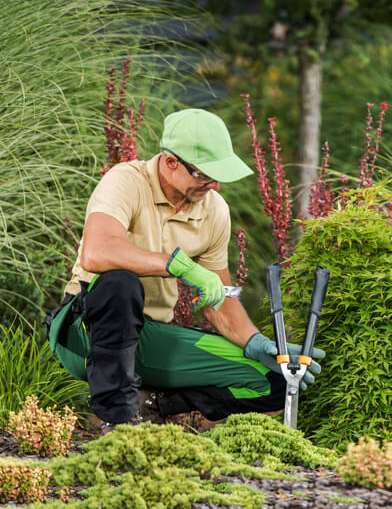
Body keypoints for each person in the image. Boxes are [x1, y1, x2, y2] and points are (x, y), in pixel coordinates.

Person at [45, 109, 323, 433]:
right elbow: (97, 252)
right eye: (203, 173)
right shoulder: (127, 181)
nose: (215, 184)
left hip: (151, 337)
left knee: (274, 380)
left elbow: (218, 299)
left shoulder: (214, 210)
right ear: (170, 161)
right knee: (119, 285)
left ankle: (151, 405)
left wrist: (255, 342)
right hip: (86, 331)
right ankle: (117, 424)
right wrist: (177, 265)